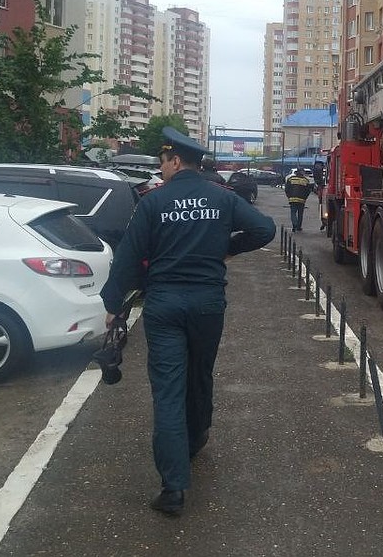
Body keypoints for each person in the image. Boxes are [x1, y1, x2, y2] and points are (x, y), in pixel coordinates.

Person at [100, 126, 275, 516]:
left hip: (164, 307)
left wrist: (113, 303)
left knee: (167, 392)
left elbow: (129, 256)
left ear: (176, 161)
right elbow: (265, 229)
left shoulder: (153, 202)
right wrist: (225, 249)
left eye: (162, 162)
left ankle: (173, 488)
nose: (160, 170)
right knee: (200, 375)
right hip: (207, 305)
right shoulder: (222, 197)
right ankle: (195, 439)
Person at [283, 167, 313, 232]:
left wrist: (289, 197)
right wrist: (305, 198)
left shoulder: (291, 179)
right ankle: (298, 227)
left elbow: (287, 189)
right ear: (302, 172)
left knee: (293, 213)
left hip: (292, 199)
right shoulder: (306, 180)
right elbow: (308, 191)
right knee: (300, 214)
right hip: (301, 200)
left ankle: (294, 225)